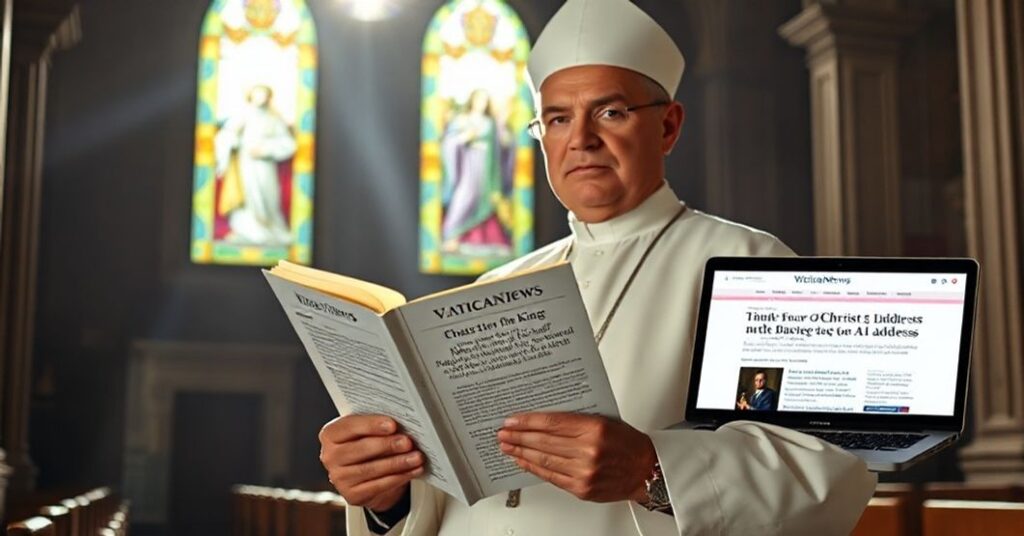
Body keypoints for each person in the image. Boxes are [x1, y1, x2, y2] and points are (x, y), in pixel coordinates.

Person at [319, 1, 876, 534]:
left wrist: (651, 470)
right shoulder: (493, 286)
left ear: (668, 127)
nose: (581, 140)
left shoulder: (756, 266)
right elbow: (446, 492)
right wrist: (384, 492)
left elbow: (829, 469)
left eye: (610, 112)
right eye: (557, 119)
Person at [214, 84, 296, 247]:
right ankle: (247, 233)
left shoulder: (274, 119)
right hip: (245, 164)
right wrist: (234, 142)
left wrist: (265, 149)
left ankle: (269, 231)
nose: (261, 97)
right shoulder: (243, 115)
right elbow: (225, 137)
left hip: (265, 165)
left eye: (264, 94)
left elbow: (288, 144)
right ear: (251, 96)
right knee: (247, 199)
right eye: (258, 94)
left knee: (267, 198)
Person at [440, 88, 513, 255]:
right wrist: (465, 137)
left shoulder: (490, 123)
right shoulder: (462, 120)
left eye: (485, 100)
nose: (482, 103)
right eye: (479, 99)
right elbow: (449, 143)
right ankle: (451, 234)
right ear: (472, 100)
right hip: (467, 166)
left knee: (484, 199)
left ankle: (480, 240)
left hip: (486, 168)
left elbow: (499, 146)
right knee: (464, 197)